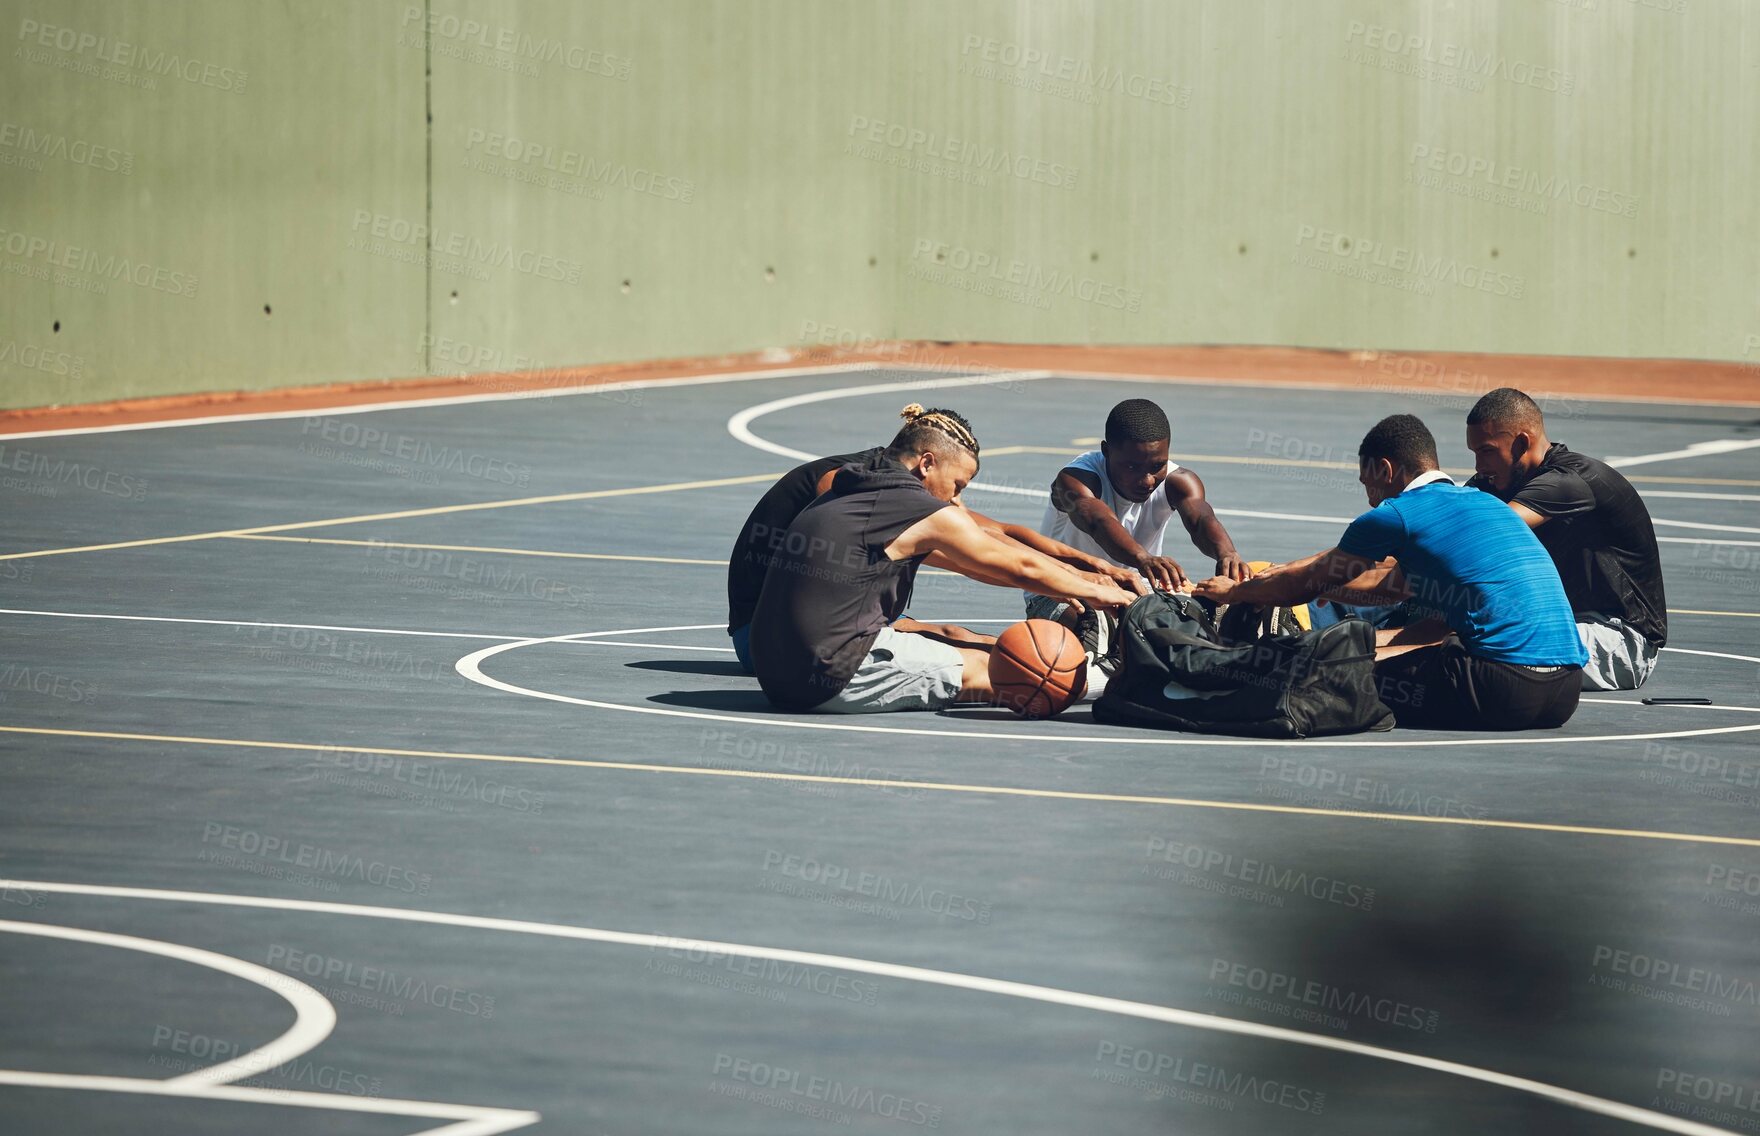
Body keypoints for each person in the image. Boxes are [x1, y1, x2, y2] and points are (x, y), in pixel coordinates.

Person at [1192, 414, 1587, 730]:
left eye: (1367, 482)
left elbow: (1304, 585)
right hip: (1563, 693)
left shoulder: (1395, 514)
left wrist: (1233, 593)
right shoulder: (1490, 507)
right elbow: (1395, 593)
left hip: (1500, 691)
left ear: (1385, 469)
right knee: (1395, 653)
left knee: (1314, 674)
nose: (1368, 495)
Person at [750, 405, 1137, 714]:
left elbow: (985, 557)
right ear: (927, 463)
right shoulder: (910, 506)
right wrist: (1100, 594)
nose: (957, 501)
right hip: (828, 675)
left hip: (778, 670)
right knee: (1018, 671)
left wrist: (1082, 574)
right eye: (957, 486)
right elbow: (1009, 565)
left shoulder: (863, 484)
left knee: (961, 638)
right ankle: (1102, 679)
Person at [1465, 387, 1667, 690]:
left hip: (1619, 641)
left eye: (1487, 451)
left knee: (1471, 651)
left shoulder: (1571, 481)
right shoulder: (1496, 479)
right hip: (1562, 623)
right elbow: (1445, 524)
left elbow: (1493, 531)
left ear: (1522, 443)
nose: (1479, 466)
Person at [1031, 398, 1249, 630]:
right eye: (1132, 467)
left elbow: (1201, 520)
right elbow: (1099, 522)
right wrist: (1142, 558)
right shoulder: (1075, 481)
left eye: (1157, 467)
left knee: (1216, 618)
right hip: (1062, 589)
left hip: (1137, 589)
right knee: (1098, 627)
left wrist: (1226, 553)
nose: (1147, 480)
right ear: (1106, 451)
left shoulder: (1181, 482)